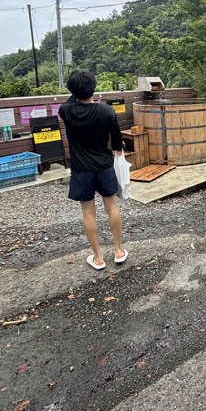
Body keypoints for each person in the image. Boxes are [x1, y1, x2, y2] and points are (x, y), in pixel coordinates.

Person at [59, 70, 127, 270]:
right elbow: (117, 142)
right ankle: (118, 251)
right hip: (104, 165)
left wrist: (76, 90)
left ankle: (98, 258)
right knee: (112, 206)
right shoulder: (106, 111)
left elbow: (71, 100)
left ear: (72, 90)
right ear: (94, 88)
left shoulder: (66, 111)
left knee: (88, 212)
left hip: (81, 169)